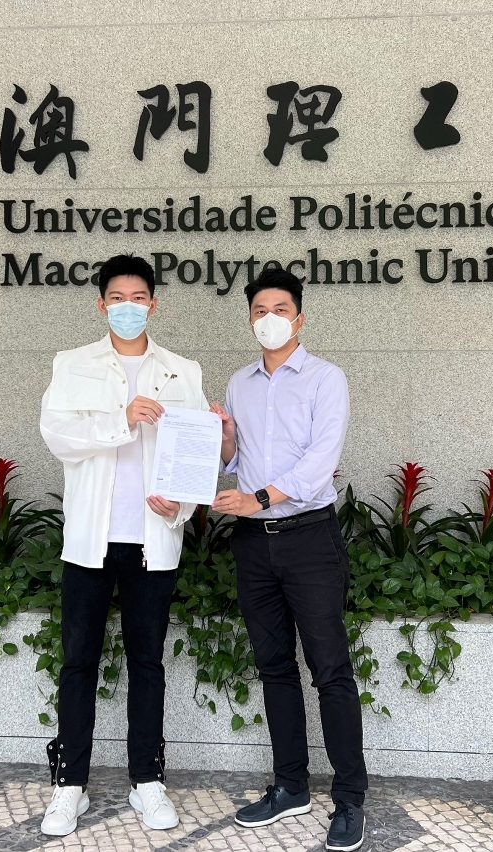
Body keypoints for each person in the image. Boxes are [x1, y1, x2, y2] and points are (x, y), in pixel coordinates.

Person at [38, 254, 207, 836]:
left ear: (153, 304)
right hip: (92, 538)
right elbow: (58, 436)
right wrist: (122, 418)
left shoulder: (182, 371)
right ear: (101, 304)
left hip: (152, 539)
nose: (128, 306)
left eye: (138, 297)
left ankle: (147, 781)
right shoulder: (73, 364)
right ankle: (70, 786)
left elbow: (193, 456)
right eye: (117, 297)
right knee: (78, 661)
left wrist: (180, 507)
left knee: (147, 662)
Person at [210, 268, 367, 851]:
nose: (269, 318)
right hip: (254, 544)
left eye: (279, 309)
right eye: (259, 310)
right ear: (249, 319)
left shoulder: (326, 378)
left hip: (309, 540)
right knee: (274, 667)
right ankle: (290, 786)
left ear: (299, 317)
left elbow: (321, 461)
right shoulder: (239, 383)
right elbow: (233, 462)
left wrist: (260, 498)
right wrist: (226, 438)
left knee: (330, 669)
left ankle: (349, 799)